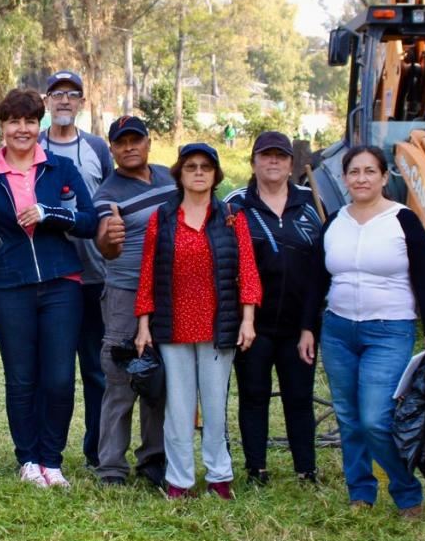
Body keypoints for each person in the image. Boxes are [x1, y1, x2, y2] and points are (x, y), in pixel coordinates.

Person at [0, 88, 97, 488]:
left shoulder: (61, 169)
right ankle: (28, 459)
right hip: (9, 288)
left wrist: (50, 212)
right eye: (14, 121)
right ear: (1, 126)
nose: (22, 129)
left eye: (30, 121)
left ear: (40, 125)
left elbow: (88, 221)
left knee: (58, 377)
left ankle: (52, 459)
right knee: (21, 378)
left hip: (61, 285)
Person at [299, 145, 425, 519]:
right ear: (345, 178)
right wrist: (308, 328)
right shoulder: (334, 222)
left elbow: (423, 280)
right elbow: (317, 281)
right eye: (354, 172)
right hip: (338, 330)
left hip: (389, 330)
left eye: (369, 171)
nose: (361, 179)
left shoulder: (404, 220)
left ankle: (407, 493)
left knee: (375, 419)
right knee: (348, 418)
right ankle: (360, 491)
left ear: (384, 177)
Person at [135, 142, 261, 501]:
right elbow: (148, 272)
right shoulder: (163, 217)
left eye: (206, 166)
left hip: (218, 326)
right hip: (173, 325)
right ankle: (180, 482)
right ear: (180, 174)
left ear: (216, 174)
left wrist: (247, 319)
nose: (199, 172)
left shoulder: (232, 216)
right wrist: (143, 323)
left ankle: (220, 477)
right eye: (191, 166)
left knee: (215, 406)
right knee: (178, 408)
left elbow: (247, 270)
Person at [225, 132, 323, 486]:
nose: (273, 162)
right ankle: (256, 469)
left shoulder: (312, 204)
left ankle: (306, 470)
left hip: (301, 325)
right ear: (253, 162)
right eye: (265, 156)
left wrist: (311, 324)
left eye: (280, 157)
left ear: (291, 165)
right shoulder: (235, 206)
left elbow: (320, 270)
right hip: (253, 323)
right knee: (254, 395)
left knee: (299, 397)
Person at [92, 115, 173, 488]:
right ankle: (111, 465)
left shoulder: (169, 178)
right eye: (121, 142)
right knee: (122, 376)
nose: (129, 147)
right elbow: (105, 245)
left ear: (148, 142)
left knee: (158, 377)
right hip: (126, 293)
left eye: (135, 140)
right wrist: (111, 236)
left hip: (169, 293)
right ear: (112, 149)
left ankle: (154, 458)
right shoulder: (108, 193)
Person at [38, 70, 112, 470]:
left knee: (98, 371)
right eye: (57, 94)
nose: (65, 100)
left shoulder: (97, 149)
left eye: (73, 94)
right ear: (46, 101)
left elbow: (107, 203)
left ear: (82, 102)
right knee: (54, 372)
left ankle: (97, 451)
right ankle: (47, 452)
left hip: (95, 276)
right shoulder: (31, 144)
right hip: (50, 277)